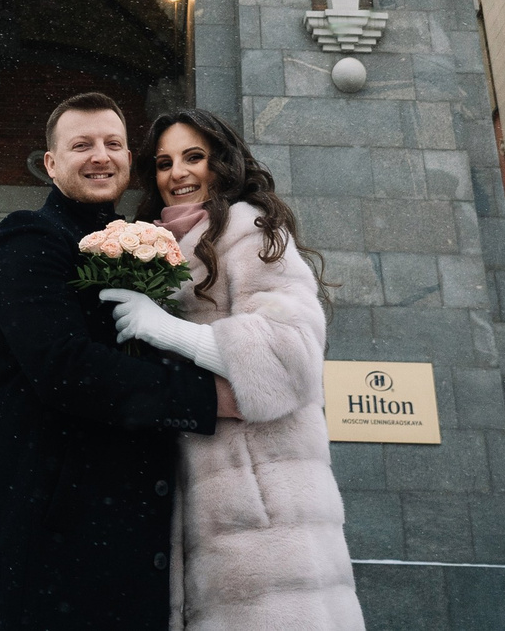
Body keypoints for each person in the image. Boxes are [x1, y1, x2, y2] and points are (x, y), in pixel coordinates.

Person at [0, 93, 223, 631]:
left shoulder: (148, 244)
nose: (100, 156)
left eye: (113, 143)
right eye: (81, 145)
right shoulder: (29, 237)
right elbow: (65, 368)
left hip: (135, 545)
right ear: (51, 164)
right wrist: (209, 398)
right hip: (56, 549)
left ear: (130, 160)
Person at [100, 109, 363, 631]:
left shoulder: (253, 234)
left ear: (222, 163)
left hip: (265, 517)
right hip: (190, 506)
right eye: (164, 162)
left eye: (194, 157)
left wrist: (165, 329)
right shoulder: (156, 249)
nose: (178, 173)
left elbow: (292, 361)